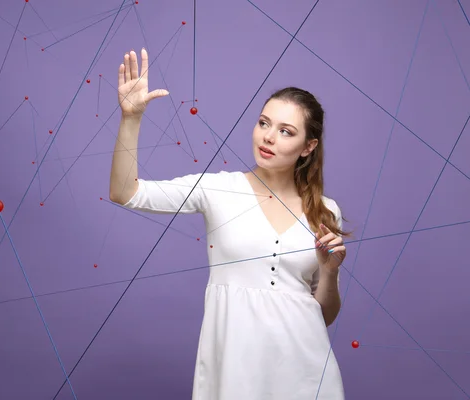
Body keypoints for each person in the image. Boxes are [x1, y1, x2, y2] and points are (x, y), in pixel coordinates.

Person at [109, 48, 350, 400]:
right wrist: (131, 118)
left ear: (307, 146)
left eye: (286, 131)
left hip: (306, 372)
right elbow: (125, 192)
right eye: (264, 123)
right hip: (235, 369)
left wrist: (329, 272)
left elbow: (324, 315)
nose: (268, 137)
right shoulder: (218, 189)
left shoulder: (326, 210)